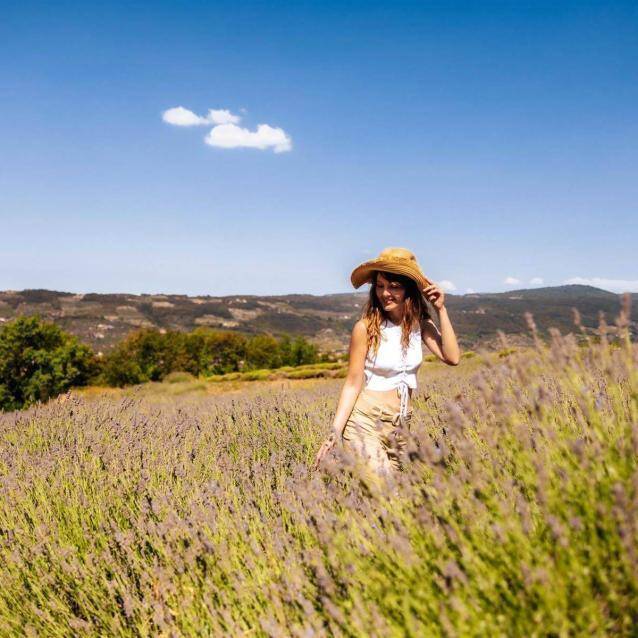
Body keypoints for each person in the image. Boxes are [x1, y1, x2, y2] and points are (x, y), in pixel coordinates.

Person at [313, 247, 460, 479]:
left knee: (393, 502)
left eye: (394, 286)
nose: (385, 293)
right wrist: (335, 431)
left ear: (409, 290)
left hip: (400, 426)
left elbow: (452, 357)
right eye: (380, 286)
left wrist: (441, 309)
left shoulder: (420, 324)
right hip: (365, 422)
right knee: (385, 491)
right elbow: (352, 383)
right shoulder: (365, 328)